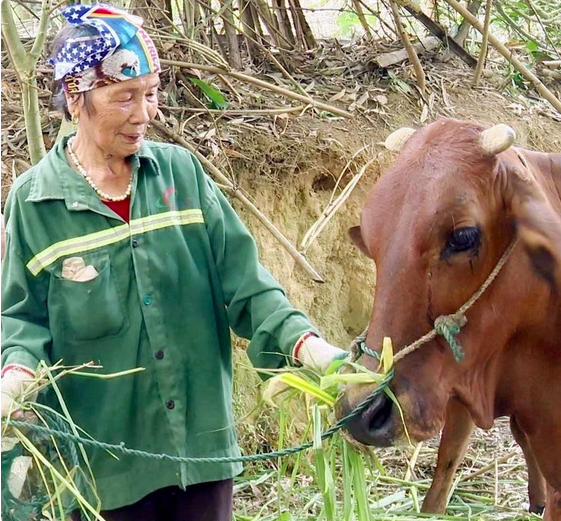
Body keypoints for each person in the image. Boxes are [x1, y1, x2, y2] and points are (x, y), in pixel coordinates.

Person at [0, 4, 348, 519]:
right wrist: (14, 378)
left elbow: (245, 285)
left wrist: (312, 349)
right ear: (76, 97)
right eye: (125, 97)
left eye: (151, 93)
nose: (145, 114)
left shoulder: (181, 177)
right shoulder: (34, 203)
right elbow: (23, 318)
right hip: (104, 470)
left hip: (200, 455)